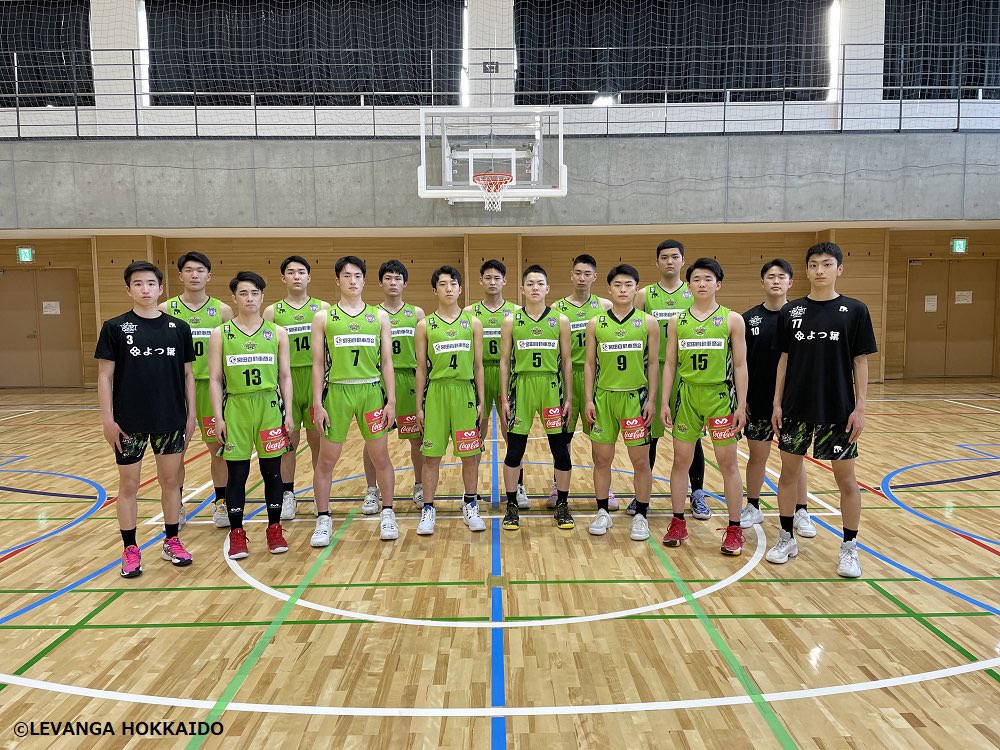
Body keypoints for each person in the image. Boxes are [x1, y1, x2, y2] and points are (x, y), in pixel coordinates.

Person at [768, 242, 877, 577]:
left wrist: (860, 407)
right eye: (813, 264)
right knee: (788, 475)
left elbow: (860, 362)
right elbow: (784, 360)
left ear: (839, 269)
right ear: (806, 270)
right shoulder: (791, 312)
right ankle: (786, 537)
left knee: (847, 481)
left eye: (827, 264)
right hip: (796, 407)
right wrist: (776, 402)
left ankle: (849, 548)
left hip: (839, 410)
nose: (819, 270)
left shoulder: (855, 310)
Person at [97, 261, 196, 578]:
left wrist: (191, 414)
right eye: (138, 284)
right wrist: (107, 419)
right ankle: (130, 548)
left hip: (170, 418)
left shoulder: (179, 328)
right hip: (129, 422)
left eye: (151, 283)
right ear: (128, 289)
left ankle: (172, 540)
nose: (145, 289)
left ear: (161, 288)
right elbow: (105, 377)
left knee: (171, 482)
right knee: (129, 485)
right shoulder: (115, 328)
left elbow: (188, 375)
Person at [661, 258, 748, 556]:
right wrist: (665, 401)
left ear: (718, 284)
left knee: (728, 464)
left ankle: (734, 528)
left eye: (708, 279)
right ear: (688, 285)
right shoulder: (677, 321)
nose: (702, 284)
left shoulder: (732, 319)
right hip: (687, 396)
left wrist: (741, 404)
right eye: (696, 279)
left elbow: (740, 365)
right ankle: (677, 522)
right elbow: (670, 364)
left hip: (720, 397)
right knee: (680, 461)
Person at [309, 256, 397, 545]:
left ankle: (387, 512)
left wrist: (391, 401)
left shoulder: (379, 317)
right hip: (337, 392)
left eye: (357, 275)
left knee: (381, 457)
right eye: (346, 276)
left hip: (371, 391)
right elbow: (318, 364)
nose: (352, 281)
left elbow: (387, 362)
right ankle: (323, 518)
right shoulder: (323, 318)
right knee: (327, 460)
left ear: (364, 280)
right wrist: (317, 403)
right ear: (337, 280)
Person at [208, 271, 294, 559]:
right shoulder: (221, 334)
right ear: (234, 298)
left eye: (255, 293)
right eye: (243, 293)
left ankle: (274, 528)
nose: (249, 298)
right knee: (237, 473)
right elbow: (215, 379)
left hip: (268, 406)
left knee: (272, 472)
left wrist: (288, 413)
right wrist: (218, 417)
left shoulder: (277, 332)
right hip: (236, 407)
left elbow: (285, 375)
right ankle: (237, 533)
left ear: (262, 296)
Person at [584, 264, 659, 542]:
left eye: (628, 285)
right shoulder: (596, 323)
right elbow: (589, 364)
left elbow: (653, 364)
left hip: (635, 398)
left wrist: (652, 399)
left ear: (636, 288)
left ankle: (641, 514)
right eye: (618, 285)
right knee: (602, 459)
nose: (623, 289)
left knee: (640, 461)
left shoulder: (648, 322)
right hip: (604, 397)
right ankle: (602, 511)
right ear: (609, 289)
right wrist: (589, 398)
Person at [637, 239, 710, 520]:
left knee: (692, 438)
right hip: (655, 371)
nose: (669, 261)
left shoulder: (694, 293)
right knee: (649, 435)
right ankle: (642, 495)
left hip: (687, 372)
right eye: (664, 257)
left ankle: (698, 493)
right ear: (656, 262)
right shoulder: (644, 295)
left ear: (683, 260)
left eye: (675, 257)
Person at [159, 251, 233, 528]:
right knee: (176, 452)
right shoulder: (166, 309)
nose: (194, 275)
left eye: (200, 270)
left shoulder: (223, 311)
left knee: (219, 449)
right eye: (189, 270)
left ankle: (221, 502)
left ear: (209, 276)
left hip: (212, 389)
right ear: (180, 275)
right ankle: (175, 505)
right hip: (178, 390)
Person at [739, 259, 813, 536]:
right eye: (770, 276)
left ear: (790, 282)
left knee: (794, 460)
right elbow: (741, 363)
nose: (776, 281)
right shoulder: (749, 319)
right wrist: (743, 397)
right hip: (758, 400)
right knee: (757, 456)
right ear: (762, 282)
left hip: (792, 403)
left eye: (782, 277)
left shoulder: (802, 317)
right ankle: (753, 505)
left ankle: (801, 511)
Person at [499, 265, 574, 531]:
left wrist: (569, 397)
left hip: (551, 387)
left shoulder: (560, 320)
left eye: (540, 283)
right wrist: (505, 398)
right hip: (522, 387)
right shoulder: (511, 321)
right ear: (522, 289)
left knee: (560, 450)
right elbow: (504, 361)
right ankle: (512, 505)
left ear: (547, 288)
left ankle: (562, 504)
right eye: (530, 283)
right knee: (514, 450)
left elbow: (567, 361)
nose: (535, 288)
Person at [415, 266, 486, 535]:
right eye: (443, 284)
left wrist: (481, 400)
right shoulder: (425, 325)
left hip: (464, 392)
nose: (448, 288)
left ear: (460, 288)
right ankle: (428, 509)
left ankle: (471, 504)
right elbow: (421, 368)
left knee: (470, 455)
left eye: (453, 284)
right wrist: (419, 406)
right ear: (435, 290)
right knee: (431, 456)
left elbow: (478, 366)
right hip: (436, 392)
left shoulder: (473, 323)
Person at [263, 255, 329, 521]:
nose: (297, 276)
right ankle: (288, 493)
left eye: (301, 272)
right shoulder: (272, 312)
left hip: (314, 380)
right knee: (288, 442)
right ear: (283, 278)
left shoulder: (323, 308)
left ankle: (319, 494)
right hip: (286, 381)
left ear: (309, 277)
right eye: (291, 272)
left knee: (317, 442)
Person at [362, 260, 426, 510]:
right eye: (388, 278)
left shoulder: (416, 313)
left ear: (405, 283)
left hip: (409, 380)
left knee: (417, 438)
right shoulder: (371, 314)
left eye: (397, 278)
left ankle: (419, 485)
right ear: (380, 282)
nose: (392, 283)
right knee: (373, 440)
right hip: (378, 381)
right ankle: (371, 490)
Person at [552, 254, 614, 510]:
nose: (582, 278)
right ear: (571, 275)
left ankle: (606, 489)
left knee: (600, 437)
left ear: (595, 277)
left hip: (595, 378)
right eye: (578, 273)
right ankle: (557, 486)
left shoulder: (605, 306)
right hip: (566, 376)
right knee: (562, 436)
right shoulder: (556, 309)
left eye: (587, 274)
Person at [467, 260, 528, 508]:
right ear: (480, 281)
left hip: (506, 373)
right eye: (488, 278)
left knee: (511, 433)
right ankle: (471, 491)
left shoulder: (516, 312)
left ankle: (519, 487)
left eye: (497, 278)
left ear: (505, 281)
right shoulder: (470, 312)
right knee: (475, 433)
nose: (492, 282)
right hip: (479, 373)